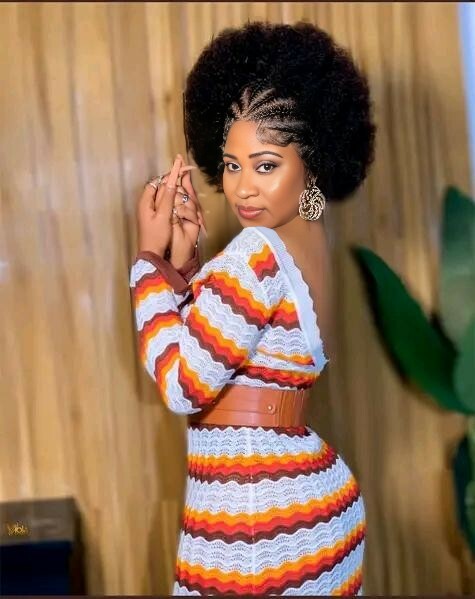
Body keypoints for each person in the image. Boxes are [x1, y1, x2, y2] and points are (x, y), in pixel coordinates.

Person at [129, 21, 376, 596]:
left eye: (266, 165)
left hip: (253, 526)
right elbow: (234, 347)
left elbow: (184, 386)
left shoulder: (255, 253)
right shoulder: (310, 240)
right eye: (232, 164)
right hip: (314, 507)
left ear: (311, 161)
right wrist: (184, 268)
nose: (242, 187)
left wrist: (147, 261)